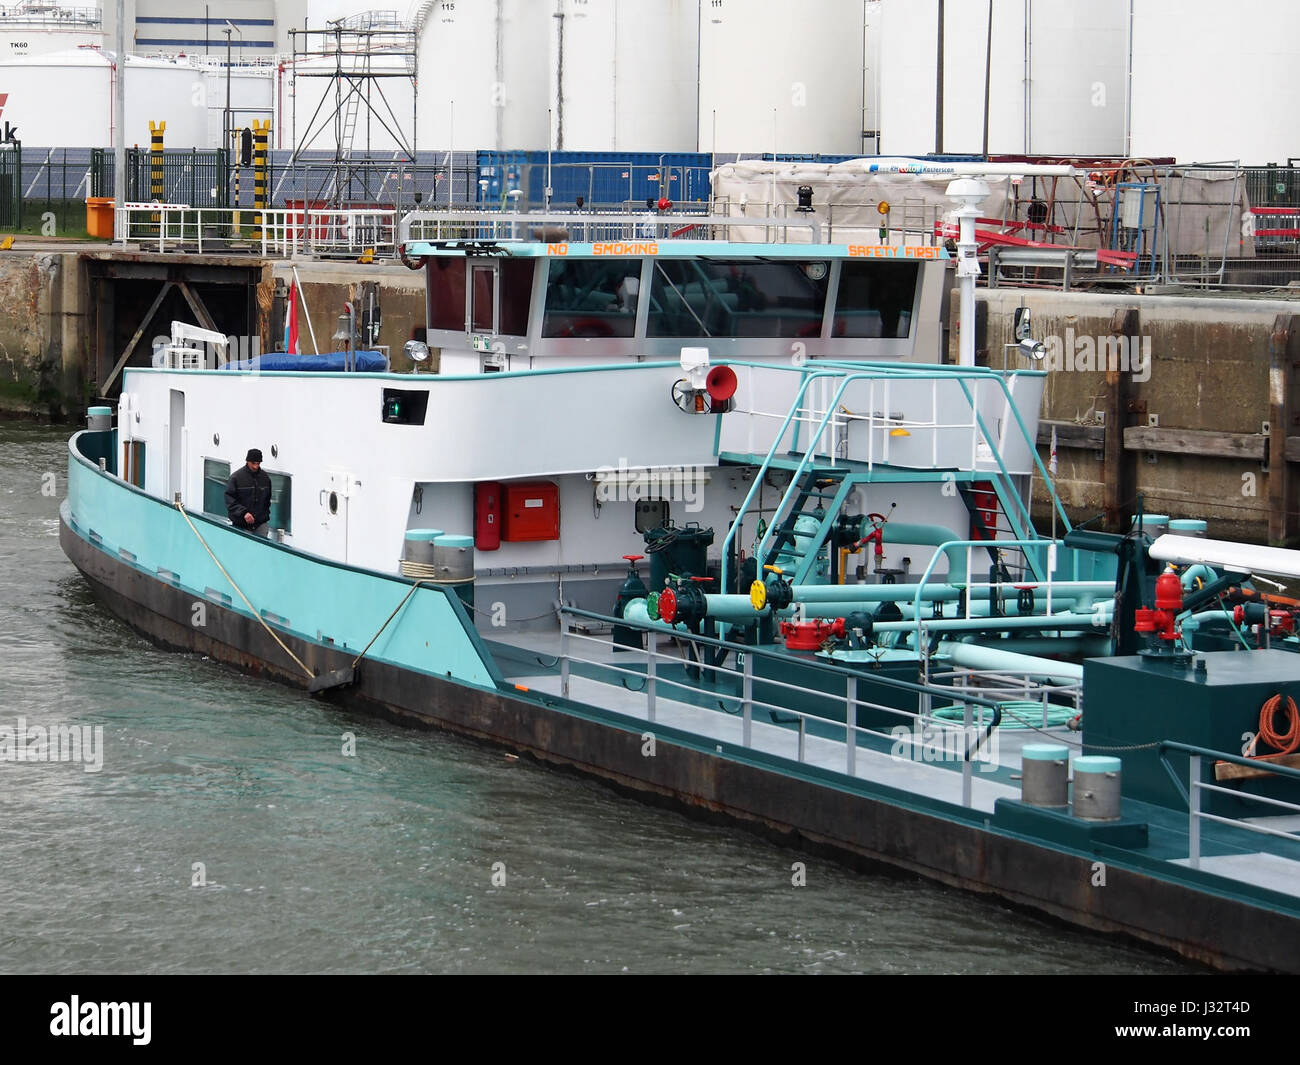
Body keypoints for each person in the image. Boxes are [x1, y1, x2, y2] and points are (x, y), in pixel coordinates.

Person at [225, 449, 273, 537]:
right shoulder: (235, 478)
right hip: (241, 525)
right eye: (253, 463)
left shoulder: (265, 478)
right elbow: (230, 500)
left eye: (258, 463)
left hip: (260, 524)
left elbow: (267, 500)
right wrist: (244, 513)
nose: (256, 466)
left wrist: (264, 515)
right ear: (247, 461)